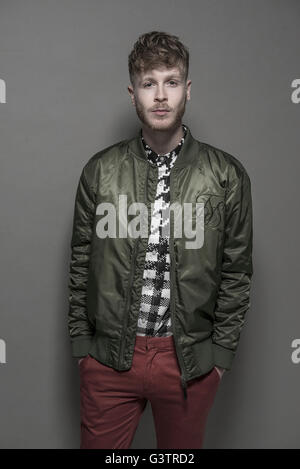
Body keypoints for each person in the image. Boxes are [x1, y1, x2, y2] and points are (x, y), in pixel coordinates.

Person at [68, 30, 253, 449]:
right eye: (149, 84)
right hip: (110, 359)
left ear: (187, 89)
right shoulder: (100, 171)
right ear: (132, 93)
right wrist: (84, 347)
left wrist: (218, 357)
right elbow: (82, 260)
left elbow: (237, 271)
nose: (161, 96)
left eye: (171, 82)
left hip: (187, 362)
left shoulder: (226, 176)